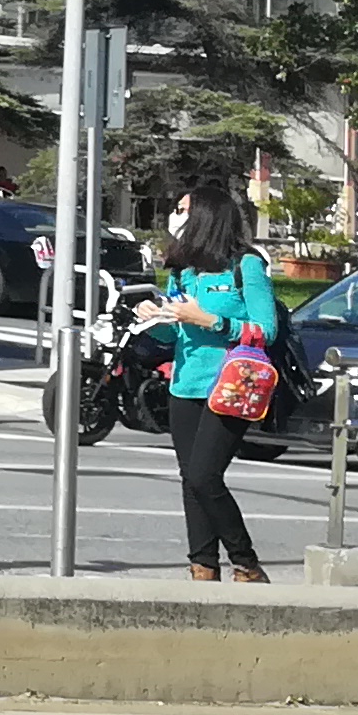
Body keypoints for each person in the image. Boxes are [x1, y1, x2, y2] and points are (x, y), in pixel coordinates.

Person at [149, 182, 278, 583]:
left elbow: (265, 330)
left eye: (185, 210)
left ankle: (247, 562)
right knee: (191, 479)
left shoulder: (246, 265)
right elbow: (174, 335)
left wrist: (212, 321)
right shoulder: (184, 272)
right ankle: (202, 566)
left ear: (207, 216)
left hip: (231, 387)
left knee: (206, 475)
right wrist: (155, 319)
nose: (177, 217)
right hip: (185, 384)